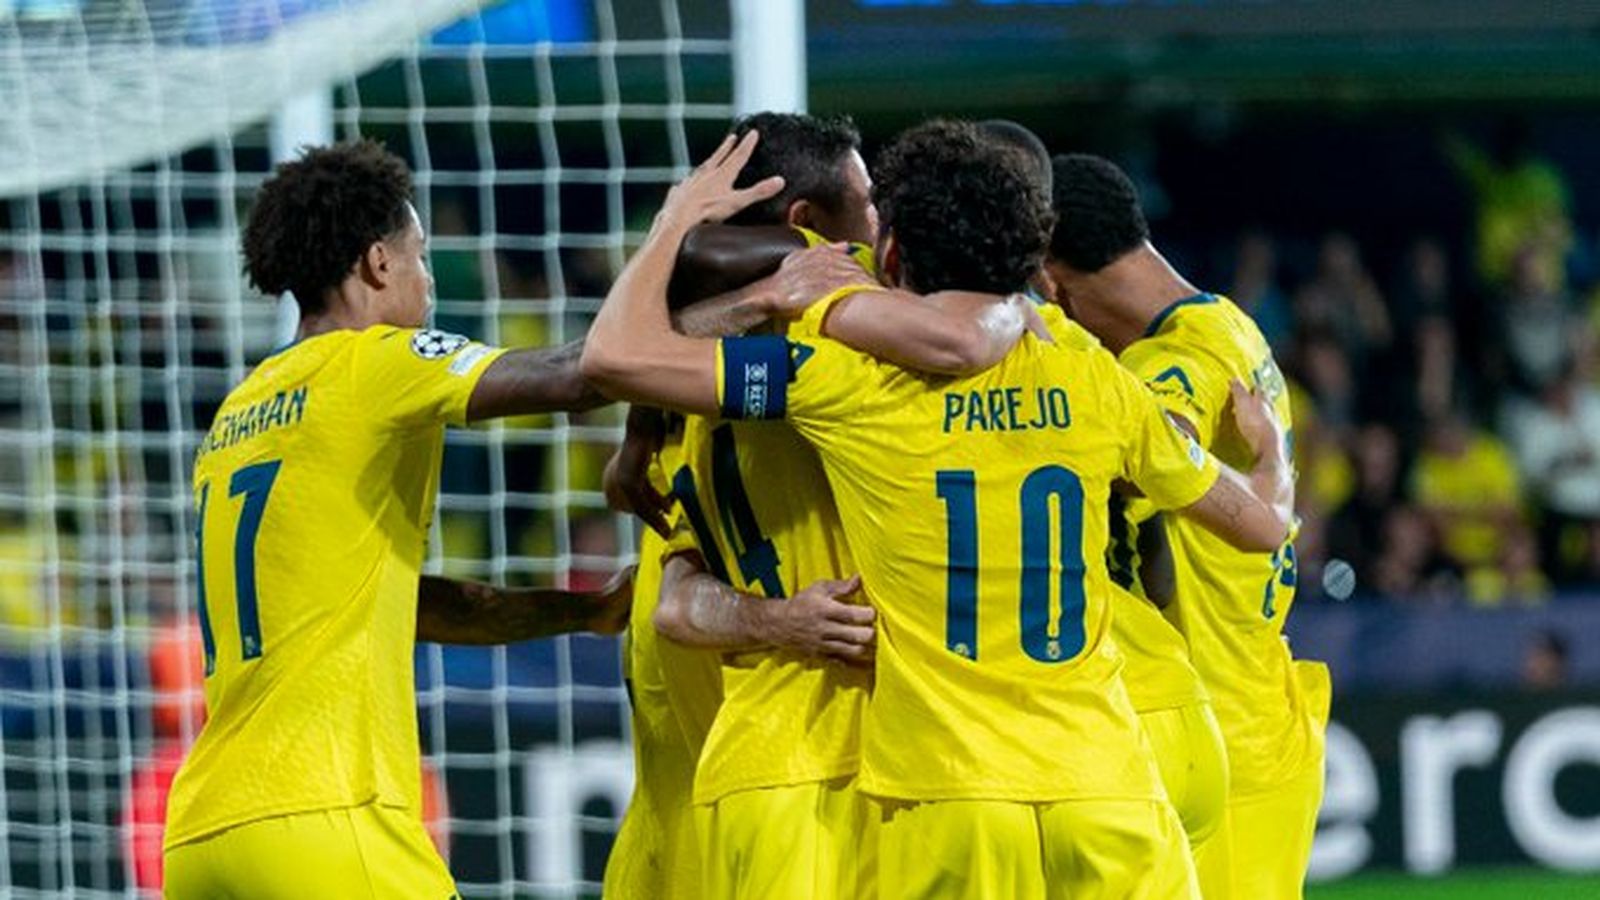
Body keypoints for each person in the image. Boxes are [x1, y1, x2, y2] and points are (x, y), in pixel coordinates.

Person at [581, 121, 1296, 900]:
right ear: (1036, 263)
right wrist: (1272, 457)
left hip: (944, 787)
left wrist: (680, 225)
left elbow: (619, 357)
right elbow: (1260, 525)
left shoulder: (842, 381)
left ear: (891, 255)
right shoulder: (1097, 378)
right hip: (1110, 772)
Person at [161, 140, 637, 899]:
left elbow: (404, 603)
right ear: (378, 263)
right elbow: (580, 374)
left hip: (203, 838)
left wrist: (583, 611)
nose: (428, 278)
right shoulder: (374, 362)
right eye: (421, 256)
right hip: (327, 816)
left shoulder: (241, 410)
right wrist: (685, 246)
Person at [609, 111, 1040, 899]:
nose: (881, 225)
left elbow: (673, 600)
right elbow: (957, 340)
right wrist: (1013, 302)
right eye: (870, 203)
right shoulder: (836, 340)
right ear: (808, 228)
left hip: (724, 784)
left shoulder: (688, 392)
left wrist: (640, 426)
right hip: (828, 768)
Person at [1045, 153, 1328, 900]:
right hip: (1260, 707)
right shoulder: (1228, 319)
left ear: (1052, 282)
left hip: (1219, 732)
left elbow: (1160, 437)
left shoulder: (1170, 363)